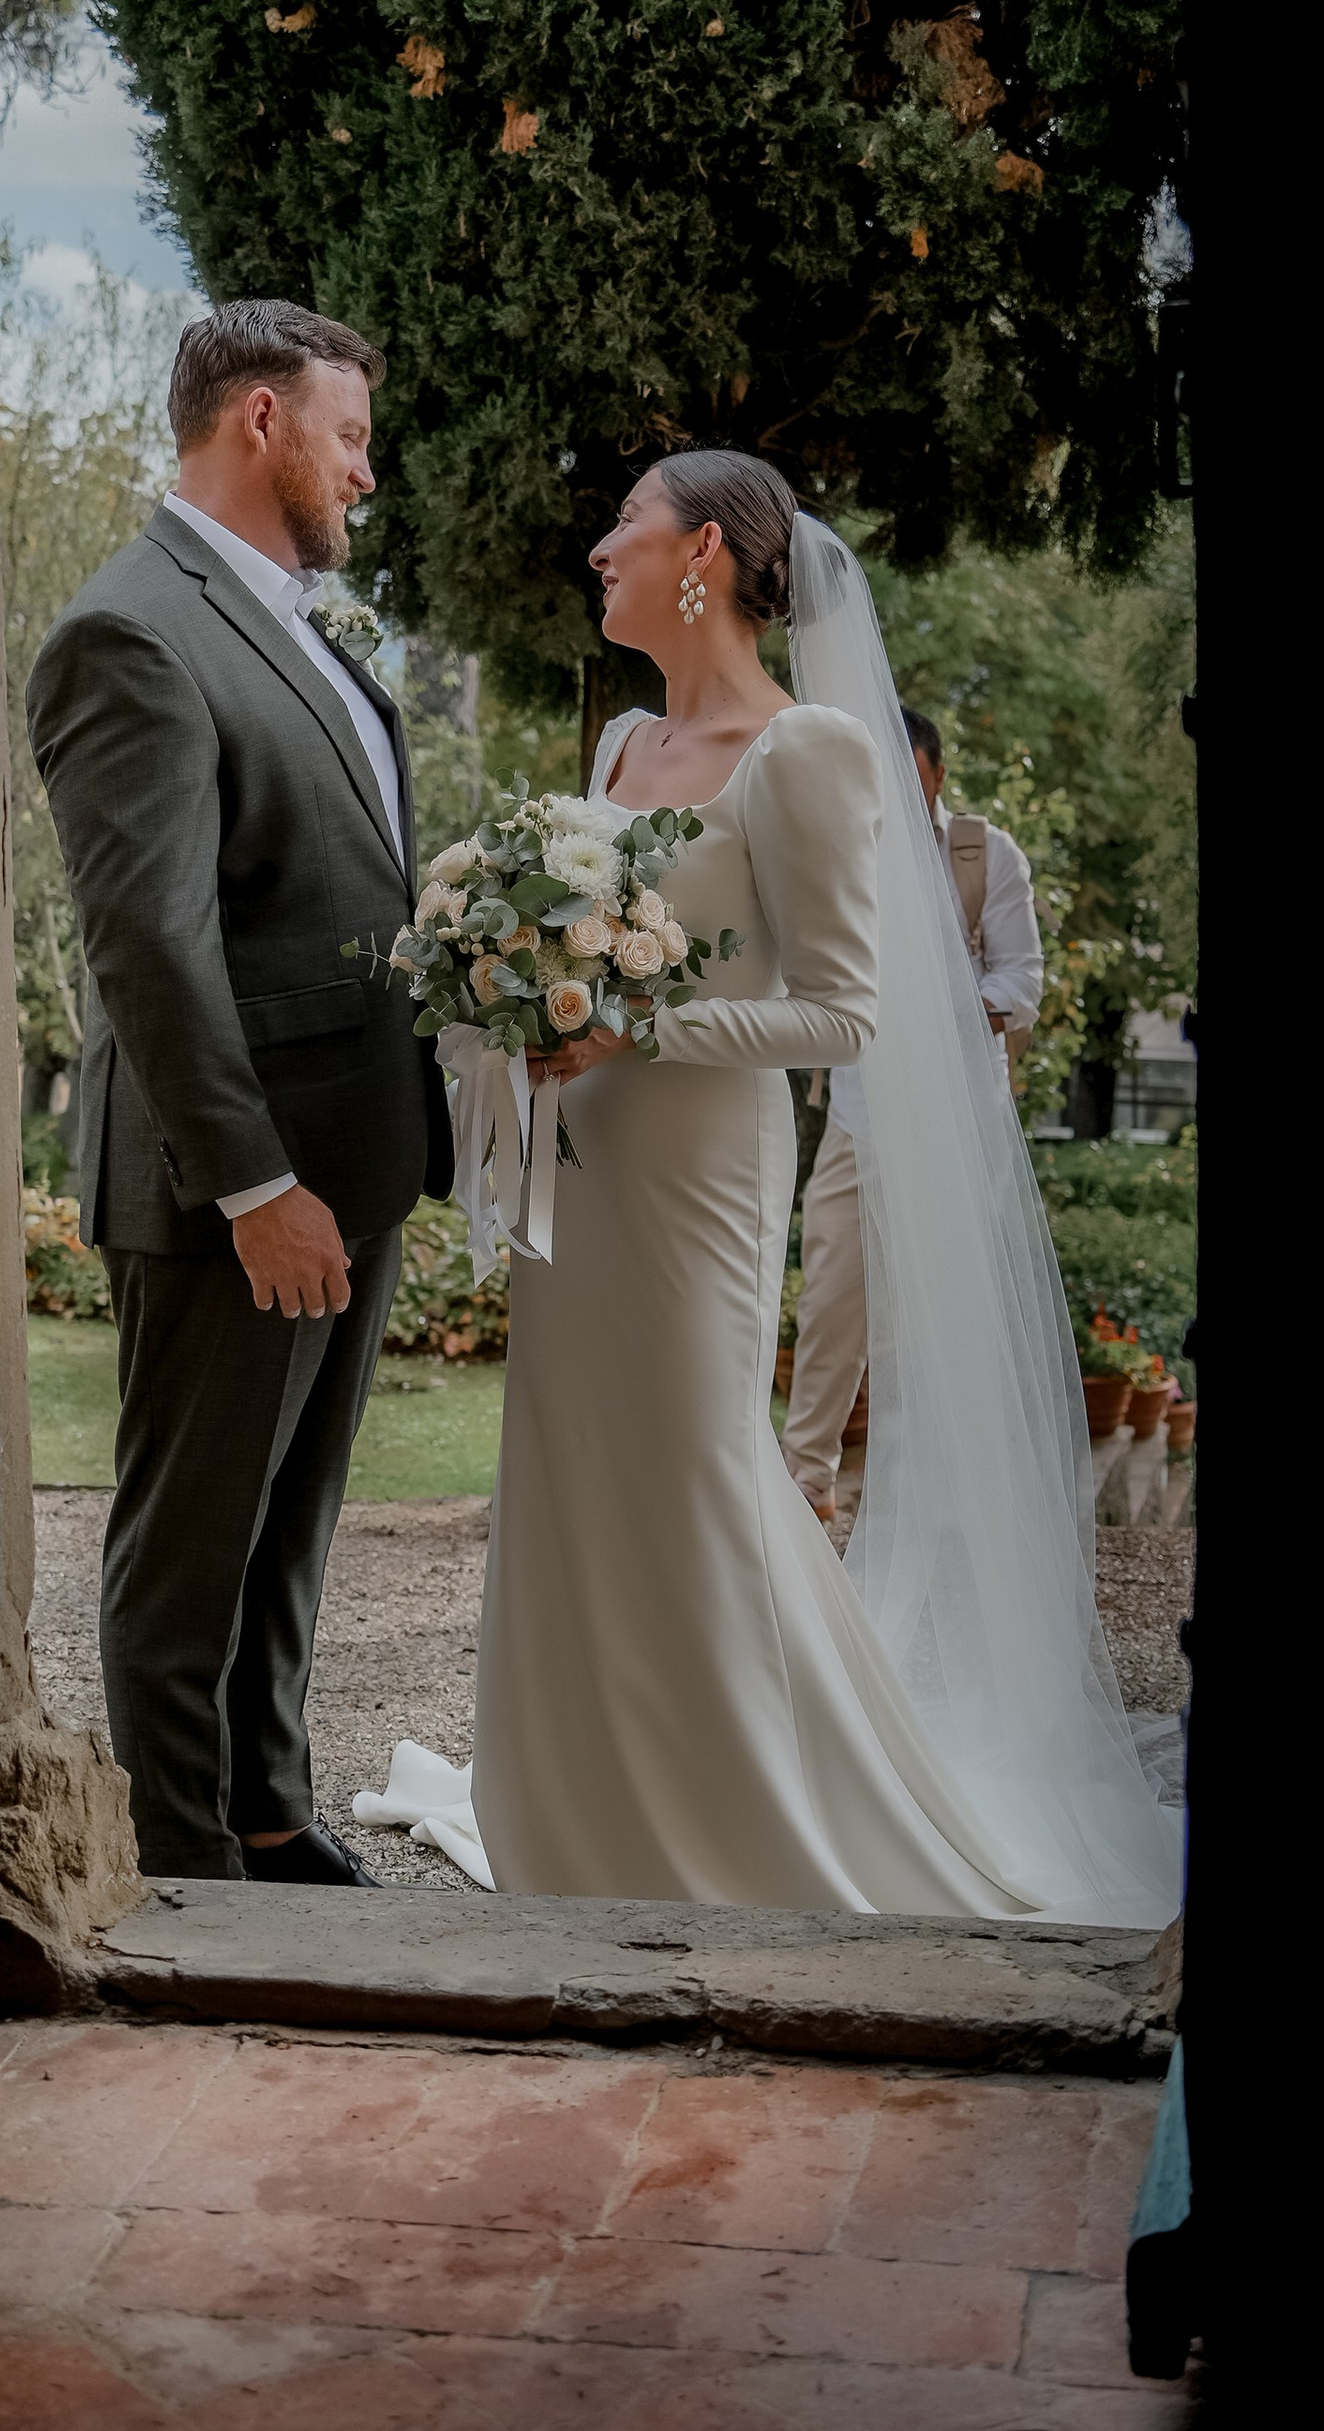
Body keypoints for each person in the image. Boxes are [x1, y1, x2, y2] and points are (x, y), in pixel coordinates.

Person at [451, 450, 1179, 1929]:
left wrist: (636, 1024)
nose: (599, 549)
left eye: (626, 526)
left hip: (699, 1181)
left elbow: (844, 1015)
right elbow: (588, 951)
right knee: (575, 1468)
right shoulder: (620, 751)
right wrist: (525, 1008)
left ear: (703, 553)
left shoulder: (812, 754)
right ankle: (578, 1807)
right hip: (585, 1178)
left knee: (694, 1472)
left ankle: (749, 1815)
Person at [25, 300, 450, 1882]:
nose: (366, 472)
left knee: (288, 1533)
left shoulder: (283, 616)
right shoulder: (131, 627)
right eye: (348, 436)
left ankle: (268, 1811)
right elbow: (151, 943)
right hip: (240, 1188)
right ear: (258, 423)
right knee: (191, 1545)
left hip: (350, 1164)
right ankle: (184, 1867)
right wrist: (258, 1183)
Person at [784, 708, 1045, 1518]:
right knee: (831, 1293)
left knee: (952, 1306)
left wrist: (928, 1008)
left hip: (961, 1121)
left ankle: (954, 1499)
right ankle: (807, 1478)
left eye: (906, 771)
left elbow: (1021, 985)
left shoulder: (983, 853)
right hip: (859, 1113)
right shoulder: (839, 853)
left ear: (934, 771)